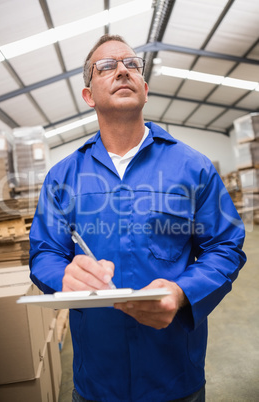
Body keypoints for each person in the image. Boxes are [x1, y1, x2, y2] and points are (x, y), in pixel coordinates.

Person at [29, 34, 246, 402]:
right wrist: (63, 275)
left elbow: (225, 246)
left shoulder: (192, 167)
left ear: (144, 89)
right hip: (98, 378)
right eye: (106, 66)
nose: (122, 71)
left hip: (175, 373)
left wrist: (181, 293)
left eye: (131, 64)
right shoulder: (63, 176)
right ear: (88, 95)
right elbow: (44, 253)